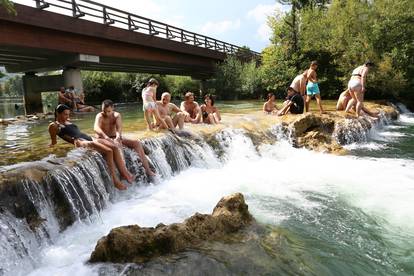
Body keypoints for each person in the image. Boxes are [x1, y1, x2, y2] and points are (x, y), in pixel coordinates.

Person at [48, 104, 134, 190]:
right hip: (80, 141)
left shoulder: (67, 121)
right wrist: (51, 148)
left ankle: (124, 173)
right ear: (58, 113)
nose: (67, 116)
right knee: (108, 151)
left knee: (114, 147)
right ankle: (115, 180)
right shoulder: (54, 125)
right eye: (65, 114)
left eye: (68, 114)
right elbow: (54, 141)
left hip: (89, 138)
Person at [94, 99, 156, 177]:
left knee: (136, 143)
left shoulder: (117, 115)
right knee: (118, 145)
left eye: (109, 111)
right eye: (104, 111)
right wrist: (106, 137)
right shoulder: (100, 115)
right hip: (102, 138)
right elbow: (96, 128)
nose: (106, 113)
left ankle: (148, 170)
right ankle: (125, 172)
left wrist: (118, 136)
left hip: (114, 137)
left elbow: (119, 128)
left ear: (113, 108)